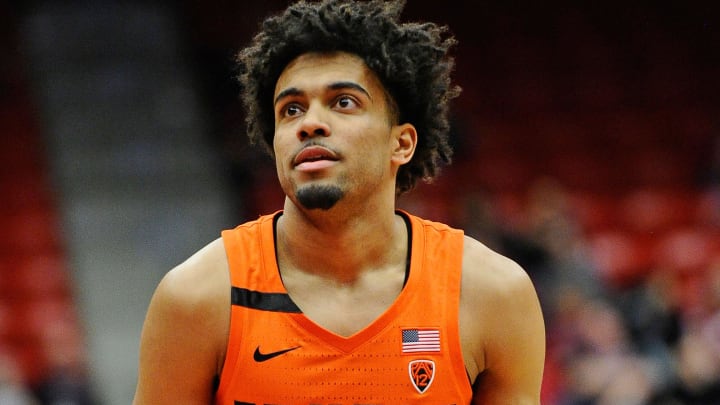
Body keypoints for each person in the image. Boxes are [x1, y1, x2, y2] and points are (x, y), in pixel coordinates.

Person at [132, 0, 545, 404]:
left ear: (401, 143)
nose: (309, 123)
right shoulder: (197, 298)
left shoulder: (491, 294)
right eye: (290, 110)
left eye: (343, 102)